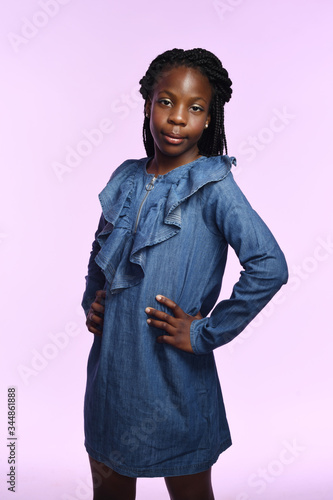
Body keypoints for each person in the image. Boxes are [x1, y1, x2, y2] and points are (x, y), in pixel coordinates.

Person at [81, 48, 288, 500]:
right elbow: (100, 249)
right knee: (109, 488)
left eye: (195, 108)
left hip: (173, 378)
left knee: (190, 490)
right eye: (166, 101)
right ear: (147, 104)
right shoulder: (127, 177)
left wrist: (204, 332)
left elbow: (270, 265)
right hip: (112, 374)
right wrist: (92, 301)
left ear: (210, 118)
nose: (177, 119)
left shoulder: (214, 186)